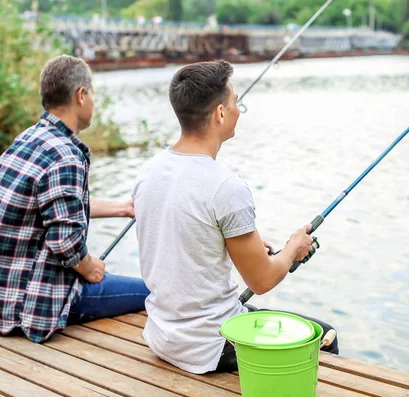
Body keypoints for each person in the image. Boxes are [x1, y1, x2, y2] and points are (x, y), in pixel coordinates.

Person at [132, 60, 339, 374]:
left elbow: (188, 237)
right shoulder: (227, 188)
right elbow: (262, 280)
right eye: (235, 102)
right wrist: (293, 248)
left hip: (162, 335)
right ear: (219, 113)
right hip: (209, 345)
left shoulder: (148, 173)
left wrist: (244, 244)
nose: (239, 110)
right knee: (325, 335)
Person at [0, 55, 150, 343]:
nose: (93, 101)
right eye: (92, 94)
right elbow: (65, 242)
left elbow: (54, 208)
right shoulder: (66, 156)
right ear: (80, 95)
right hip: (23, 309)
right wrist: (90, 268)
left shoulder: (29, 139)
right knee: (150, 293)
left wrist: (123, 208)